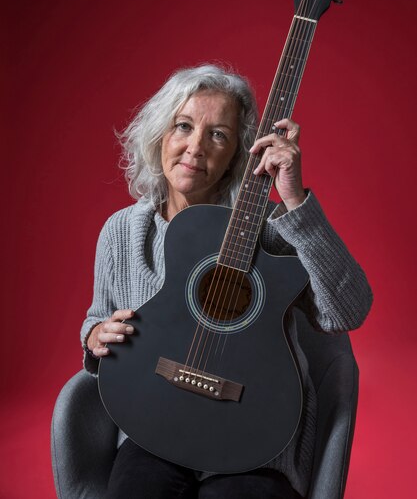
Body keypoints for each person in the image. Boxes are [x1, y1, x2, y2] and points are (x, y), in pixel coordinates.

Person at [81, 63, 372, 499]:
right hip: (153, 430)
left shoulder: (273, 231)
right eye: (183, 126)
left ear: (240, 152)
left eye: (218, 134)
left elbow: (347, 311)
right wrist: (95, 335)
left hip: (255, 437)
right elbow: (97, 320)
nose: (195, 147)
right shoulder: (122, 232)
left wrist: (294, 199)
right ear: (161, 133)